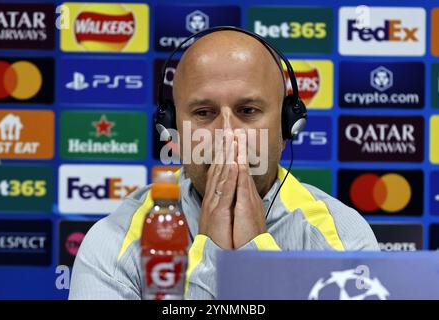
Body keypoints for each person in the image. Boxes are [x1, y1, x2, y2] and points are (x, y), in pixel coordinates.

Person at [69, 29, 379, 300]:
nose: (227, 135)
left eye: (248, 110)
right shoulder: (113, 243)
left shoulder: (343, 238)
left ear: (286, 127)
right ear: (173, 130)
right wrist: (213, 255)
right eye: (204, 113)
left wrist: (254, 256)